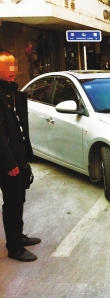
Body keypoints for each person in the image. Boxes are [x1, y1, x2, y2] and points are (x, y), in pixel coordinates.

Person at [0, 50, 40, 262]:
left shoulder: (10, 92)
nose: (12, 71)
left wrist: (24, 159)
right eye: (6, 67)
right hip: (8, 163)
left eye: (13, 66)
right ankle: (14, 247)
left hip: (18, 159)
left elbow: (17, 130)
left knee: (19, 199)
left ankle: (18, 236)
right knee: (12, 204)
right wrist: (10, 163)